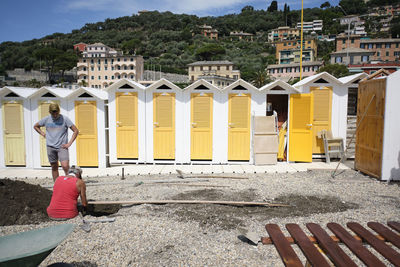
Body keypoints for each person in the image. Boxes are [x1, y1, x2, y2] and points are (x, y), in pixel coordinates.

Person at [34, 103, 79, 182]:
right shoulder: (46, 119)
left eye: (56, 112)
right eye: (53, 113)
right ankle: (57, 184)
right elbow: (36, 126)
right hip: (50, 147)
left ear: (59, 111)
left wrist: (69, 143)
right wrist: (42, 133)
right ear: (50, 112)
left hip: (62, 146)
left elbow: (75, 131)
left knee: (65, 166)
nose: (55, 114)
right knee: (54, 166)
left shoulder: (65, 119)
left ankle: (69, 182)